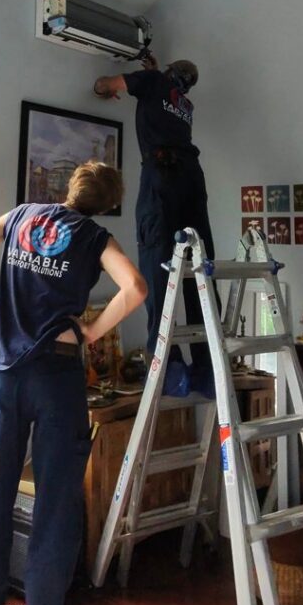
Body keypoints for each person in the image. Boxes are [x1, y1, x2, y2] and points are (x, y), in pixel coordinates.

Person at [0, 161, 147, 605]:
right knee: (56, 508)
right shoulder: (95, 238)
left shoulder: (21, 217)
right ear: (108, 204)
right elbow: (134, 288)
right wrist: (92, 331)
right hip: (57, 377)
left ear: (71, 188)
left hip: (6, 376)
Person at [94, 54, 216, 395]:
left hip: (161, 176)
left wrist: (105, 88)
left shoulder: (151, 83)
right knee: (199, 267)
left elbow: (104, 85)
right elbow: (162, 94)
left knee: (156, 261)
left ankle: (168, 366)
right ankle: (208, 368)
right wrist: (151, 74)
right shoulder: (185, 104)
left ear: (168, 71)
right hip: (192, 178)